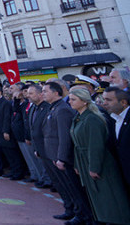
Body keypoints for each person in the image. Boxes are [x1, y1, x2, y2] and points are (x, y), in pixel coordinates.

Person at [68, 88, 130, 224]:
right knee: (99, 198)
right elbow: (77, 145)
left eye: (73, 99)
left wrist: (94, 167)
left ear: (84, 102)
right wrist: (78, 165)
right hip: (85, 162)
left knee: (109, 197)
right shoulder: (78, 117)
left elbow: (96, 146)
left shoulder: (91, 119)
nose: (70, 102)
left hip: (98, 164)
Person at [43, 81, 92, 224]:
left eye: (46, 91)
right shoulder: (54, 108)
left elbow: (64, 137)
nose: (43, 93)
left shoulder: (62, 109)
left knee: (74, 188)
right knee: (66, 187)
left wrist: (61, 158)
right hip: (55, 156)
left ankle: (83, 215)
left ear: (56, 93)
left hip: (64, 158)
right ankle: (74, 211)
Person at [103, 86, 130, 191]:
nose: (104, 103)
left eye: (108, 100)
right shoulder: (113, 119)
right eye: (104, 99)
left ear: (123, 102)